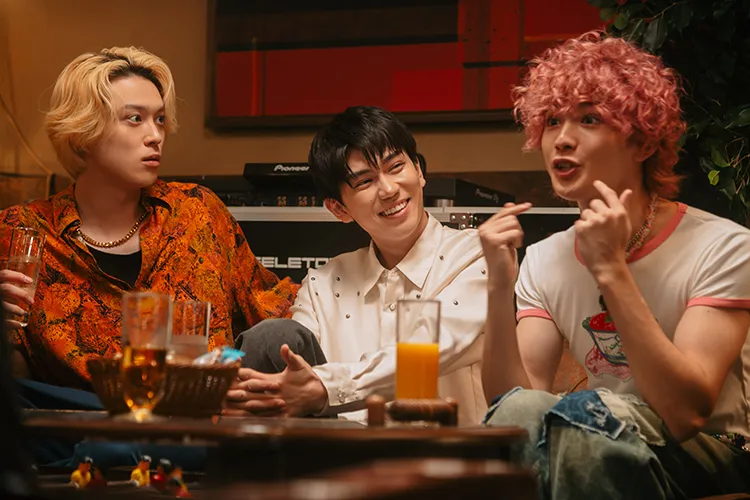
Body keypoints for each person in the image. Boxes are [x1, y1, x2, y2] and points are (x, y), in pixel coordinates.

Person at [479, 31, 750, 498]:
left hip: (713, 453)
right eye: (552, 121)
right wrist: (499, 287)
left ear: (642, 143)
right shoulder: (545, 258)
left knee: (583, 418)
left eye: (589, 119)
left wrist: (610, 269)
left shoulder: (724, 246)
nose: (562, 140)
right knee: (524, 414)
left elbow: (686, 414)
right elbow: (511, 406)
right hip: (589, 443)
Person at [0, 46, 296, 463]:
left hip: (195, 430)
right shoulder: (21, 230)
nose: (155, 135)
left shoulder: (197, 212)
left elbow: (271, 306)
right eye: (134, 119)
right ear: (81, 136)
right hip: (78, 424)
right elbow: (16, 375)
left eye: (159, 119)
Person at [226, 106, 488, 424]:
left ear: (419, 171)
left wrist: (325, 388)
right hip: (336, 448)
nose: (389, 189)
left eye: (396, 167)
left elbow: (431, 352)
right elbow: (293, 373)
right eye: (365, 182)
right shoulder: (323, 284)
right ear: (339, 209)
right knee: (270, 338)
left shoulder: (476, 256)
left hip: (441, 447)